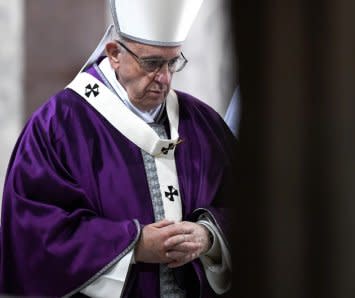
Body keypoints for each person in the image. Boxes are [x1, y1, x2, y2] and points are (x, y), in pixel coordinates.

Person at [0, 0, 234, 297]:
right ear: (114, 54)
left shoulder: (201, 123)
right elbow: (33, 233)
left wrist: (209, 236)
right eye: (151, 63)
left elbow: (254, 204)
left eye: (172, 62)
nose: (164, 78)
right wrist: (134, 245)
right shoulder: (58, 126)